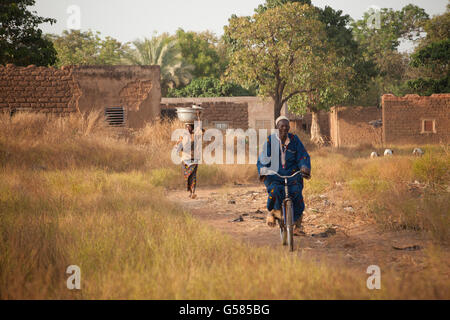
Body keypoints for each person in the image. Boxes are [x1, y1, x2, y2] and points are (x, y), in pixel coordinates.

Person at [257, 116, 311, 236]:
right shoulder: (270, 140)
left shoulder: (294, 140)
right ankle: (273, 212)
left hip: (292, 175)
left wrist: (304, 166)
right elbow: (263, 157)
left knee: (297, 193)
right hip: (275, 175)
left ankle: (297, 225)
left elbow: (303, 155)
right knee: (275, 191)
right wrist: (263, 170)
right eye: (282, 126)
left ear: (289, 127)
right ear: (277, 127)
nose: (284, 128)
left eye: (286, 126)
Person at [175, 111, 204, 199]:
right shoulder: (182, 136)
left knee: (193, 176)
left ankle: (193, 192)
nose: (188, 128)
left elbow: (200, 128)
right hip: (185, 159)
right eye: (187, 127)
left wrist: (198, 117)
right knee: (187, 177)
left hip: (194, 159)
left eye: (190, 127)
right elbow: (177, 146)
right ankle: (191, 191)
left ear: (192, 128)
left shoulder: (195, 135)